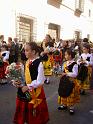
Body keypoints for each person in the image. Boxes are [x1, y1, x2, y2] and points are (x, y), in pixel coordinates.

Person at [13, 42, 49, 124]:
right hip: (25, 90)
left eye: (26, 50)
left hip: (34, 91)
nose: (24, 52)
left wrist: (28, 86)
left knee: (34, 111)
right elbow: (24, 76)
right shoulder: (27, 62)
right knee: (25, 108)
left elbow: (40, 81)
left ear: (33, 52)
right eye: (24, 50)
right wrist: (17, 82)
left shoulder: (39, 63)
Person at [58, 49, 80, 115]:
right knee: (64, 91)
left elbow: (75, 74)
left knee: (70, 93)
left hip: (71, 81)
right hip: (64, 81)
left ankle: (71, 107)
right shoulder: (65, 63)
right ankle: (64, 105)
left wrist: (66, 74)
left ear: (70, 55)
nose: (65, 56)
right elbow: (63, 70)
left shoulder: (74, 64)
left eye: (66, 55)